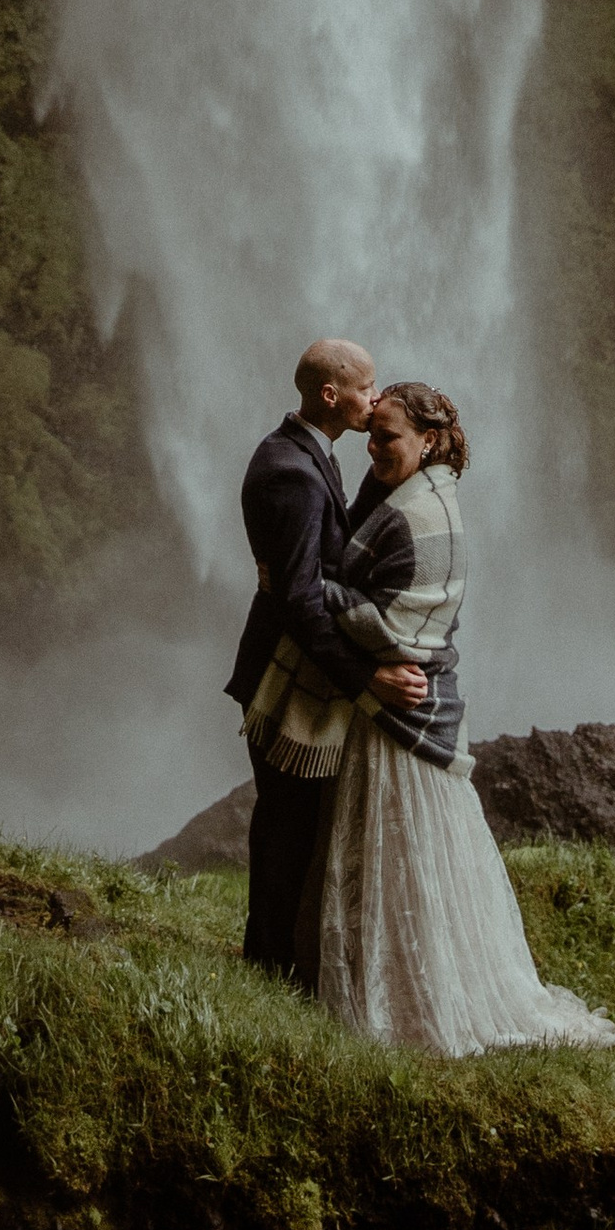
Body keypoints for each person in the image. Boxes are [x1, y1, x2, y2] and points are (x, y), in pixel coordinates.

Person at [314, 379, 615, 1058]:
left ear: (429, 441)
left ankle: (408, 999)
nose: (374, 447)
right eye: (372, 432)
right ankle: (389, 978)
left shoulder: (418, 514)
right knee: (399, 857)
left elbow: (392, 618)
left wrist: (307, 582)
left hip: (403, 706)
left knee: (403, 856)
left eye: (388, 436)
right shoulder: (414, 492)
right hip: (402, 704)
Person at [226, 337, 427, 986]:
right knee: (288, 829)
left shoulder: (305, 453)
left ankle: (273, 959)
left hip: (287, 664)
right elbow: (299, 597)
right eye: (368, 387)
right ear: (331, 395)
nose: (378, 396)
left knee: (289, 824)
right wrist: (367, 679)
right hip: (281, 675)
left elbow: (316, 564)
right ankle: (271, 970)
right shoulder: (295, 471)